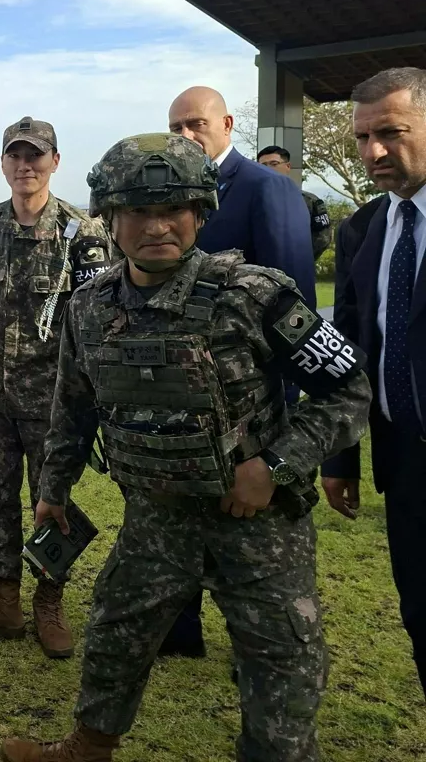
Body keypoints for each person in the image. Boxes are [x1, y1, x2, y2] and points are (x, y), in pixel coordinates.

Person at [1, 133, 370, 762]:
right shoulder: (90, 308)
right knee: (115, 636)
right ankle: (88, 748)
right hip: (154, 521)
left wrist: (273, 466)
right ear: (111, 218)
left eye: (174, 209)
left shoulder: (254, 296)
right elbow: (74, 407)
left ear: (200, 212)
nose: (157, 226)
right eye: (138, 211)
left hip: (257, 527)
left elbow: (349, 389)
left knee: (281, 661)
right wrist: (53, 492)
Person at [0, 118, 108, 660]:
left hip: (56, 402)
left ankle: (48, 602)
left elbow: (99, 321)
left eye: (36, 156)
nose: (25, 166)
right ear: (3, 163)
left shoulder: (84, 233)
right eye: (15, 156)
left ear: (56, 161)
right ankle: (3, 600)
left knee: (50, 502)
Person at [163, 85, 318, 657]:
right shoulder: (170, 192)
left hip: (248, 402)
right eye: (175, 125)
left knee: (247, 526)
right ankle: (179, 631)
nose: (185, 135)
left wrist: (284, 416)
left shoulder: (266, 189)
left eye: (196, 124)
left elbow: (290, 299)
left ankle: (257, 646)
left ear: (226, 124)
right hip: (181, 394)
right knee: (178, 516)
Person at [321, 67, 426, 698]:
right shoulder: (363, 227)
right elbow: (349, 355)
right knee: (420, 618)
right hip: (405, 464)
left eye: (390, 132)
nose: (373, 152)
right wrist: (341, 457)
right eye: (363, 138)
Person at [256, 145, 333, 259]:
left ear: (288, 166)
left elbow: (323, 238)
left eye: (274, 164)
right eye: (263, 165)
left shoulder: (309, 201)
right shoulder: (251, 200)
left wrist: (299, 260)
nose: (268, 169)